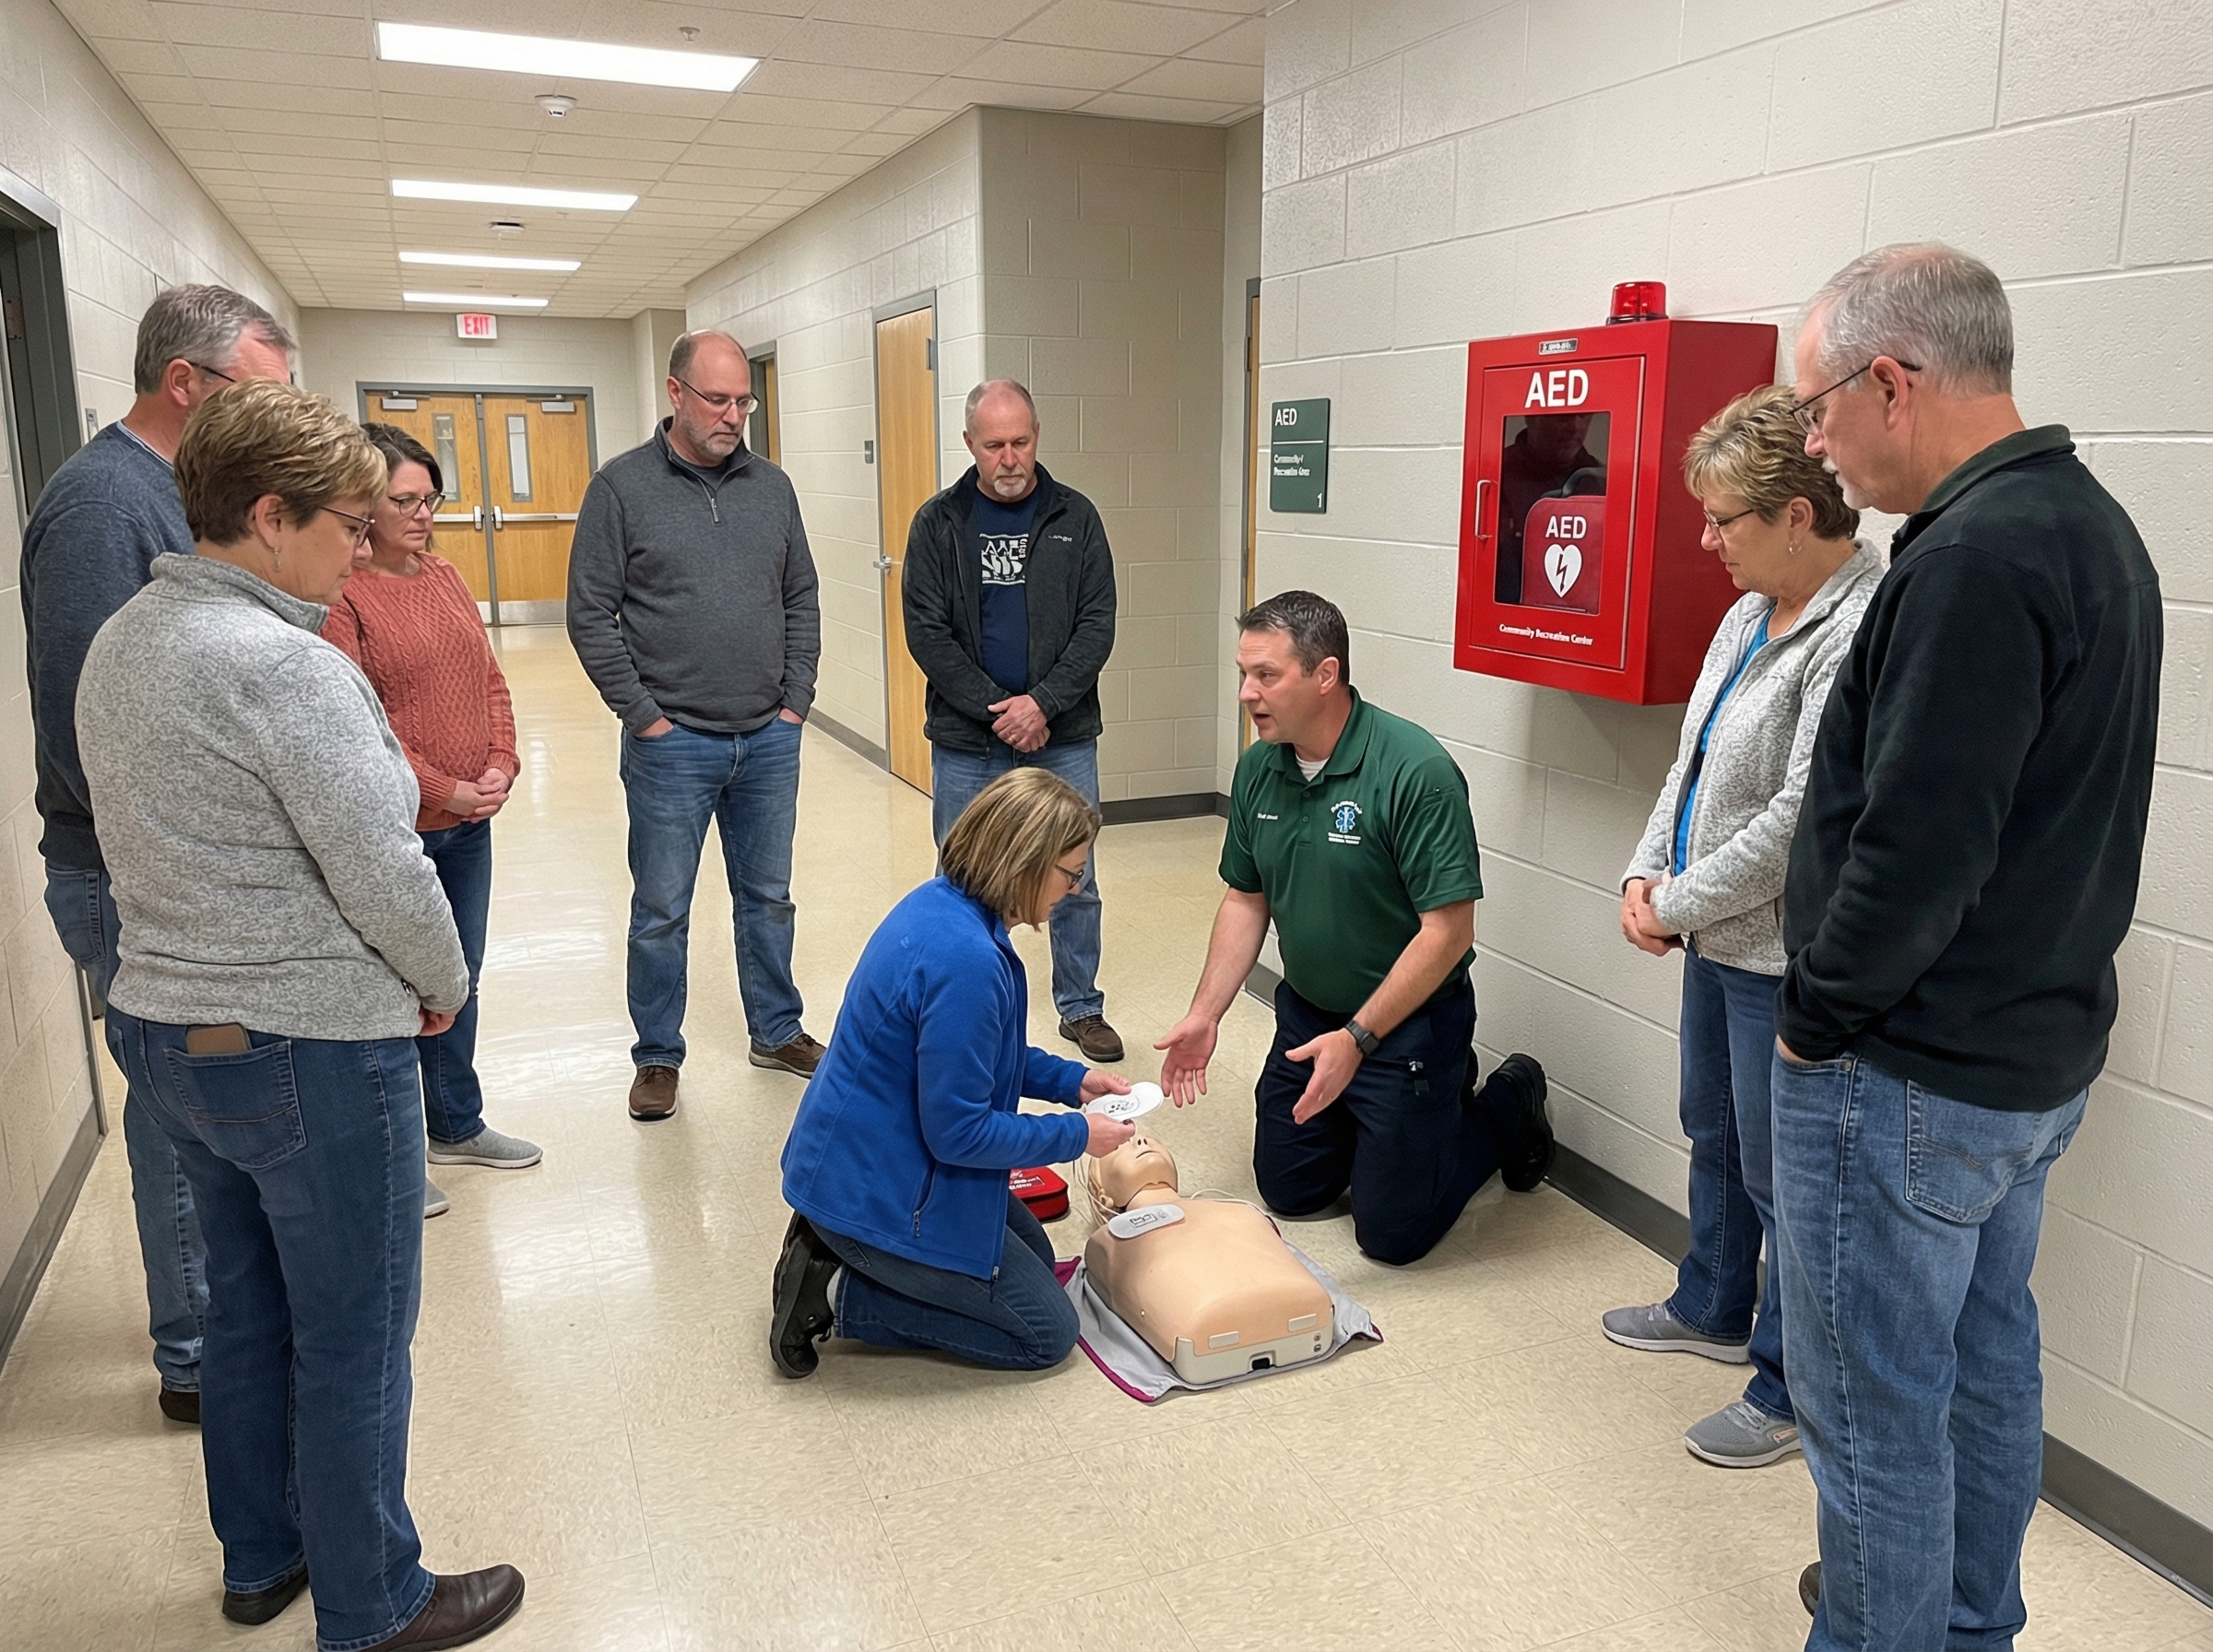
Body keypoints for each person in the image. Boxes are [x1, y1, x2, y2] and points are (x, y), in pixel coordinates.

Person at [76, 379, 525, 1649]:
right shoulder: (287, 667)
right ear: (268, 518)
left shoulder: (127, 641)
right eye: (346, 522)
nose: (366, 548)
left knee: (248, 1312)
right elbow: (388, 869)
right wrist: (445, 983)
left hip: (171, 1036)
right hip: (307, 1047)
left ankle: (261, 1558)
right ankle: (374, 1599)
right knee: (357, 1331)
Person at [1777, 245, 2160, 1650]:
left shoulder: (1973, 560)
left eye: (1818, 407)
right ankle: (1961, 1622)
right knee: (1984, 1363)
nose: (1811, 442)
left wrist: (1813, 1019)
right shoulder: (2087, 523)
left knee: (1873, 1406)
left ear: (1893, 379)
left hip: (1911, 1075)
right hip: (2029, 1061)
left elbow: (1918, 853)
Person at [18, 282, 294, 1424]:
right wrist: (191, 854)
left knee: (194, 1104)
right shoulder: (101, 507)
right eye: (261, 398)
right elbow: (93, 725)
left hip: (187, 861)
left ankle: (213, 1328)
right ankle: (194, 1353)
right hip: (135, 871)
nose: (279, 426)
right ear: (187, 385)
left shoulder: (182, 491)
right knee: (181, 1109)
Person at [1602, 384, 1880, 1470]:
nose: (1706, 538)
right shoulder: (1745, 611)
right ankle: (1712, 1302)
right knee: (1710, 1128)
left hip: (1782, 955)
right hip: (1714, 938)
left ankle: (1783, 1383)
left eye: (1725, 519)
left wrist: (1673, 901)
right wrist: (1643, 868)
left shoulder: (1857, 626)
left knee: (1783, 1175)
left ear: (1797, 514)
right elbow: (1696, 762)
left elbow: (1799, 820)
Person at [1155, 591, 1556, 1266]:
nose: (1247, 693)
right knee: (1290, 1192)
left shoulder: (1414, 772)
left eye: (1266, 676)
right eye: (1243, 674)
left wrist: (1359, 1039)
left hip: (1405, 1029)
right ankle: (1389, 1125)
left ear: (1325, 674)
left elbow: (1447, 934)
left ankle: (1507, 1099)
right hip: (1309, 1016)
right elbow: (1245, 900)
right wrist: (1205, 1013)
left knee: (1392, 1237)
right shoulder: (1260, 766)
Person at [771, 767, 1136, 1377]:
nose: (1075, 889)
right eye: (1070, 873)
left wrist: (1072, 1083)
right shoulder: (966, 961)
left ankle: (839, 1250)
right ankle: (832, 1293)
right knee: (1046, 1332)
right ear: (1025, 861)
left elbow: (980, 1059)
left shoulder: (943, 907)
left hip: (875, 1160)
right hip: (877, 1188)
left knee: (1037, 1256)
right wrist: (1079, 1135)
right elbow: (960, 1134)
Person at [567, 329, 824, 1122]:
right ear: (675, 394)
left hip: (768, 740)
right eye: (718, 399)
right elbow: (590, 615)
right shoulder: (620, 489)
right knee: (662, 908)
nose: (734, 414)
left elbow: (801, 596)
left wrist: (795, 701)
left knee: (768, 897)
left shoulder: (772, 487)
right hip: (671, 744)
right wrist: (643, 719)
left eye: (744, 399)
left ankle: (775, 1030)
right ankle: (656, 1055)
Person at [324, 424, 541, 1214]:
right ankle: (396, 1157)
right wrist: (442, 789)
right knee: (394, 990)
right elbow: (361, 722)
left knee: (459, 977)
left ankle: (457, 1122)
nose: (422, 514)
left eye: (430, 498)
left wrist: (502, 764)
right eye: (403, 501)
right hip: (397, 828)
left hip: (468, 824)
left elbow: (488, 679)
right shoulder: (341, 597)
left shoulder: (443, 574)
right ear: (361, 506)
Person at [902, 378, 1124, 1062]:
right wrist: (999, 710)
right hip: (971, 739)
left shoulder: (1075, 517)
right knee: (963, 872)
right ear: (969, 444)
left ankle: (1081, 1006)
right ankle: (965, 1000)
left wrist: (1043, 704)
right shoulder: (938, 523)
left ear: (1037, 437)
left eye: (1020, 442)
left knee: (1076, 874)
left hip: (1063, 734)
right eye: (993, 444)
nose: (1009, 458)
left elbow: (1097, 625)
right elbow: (926, 632)